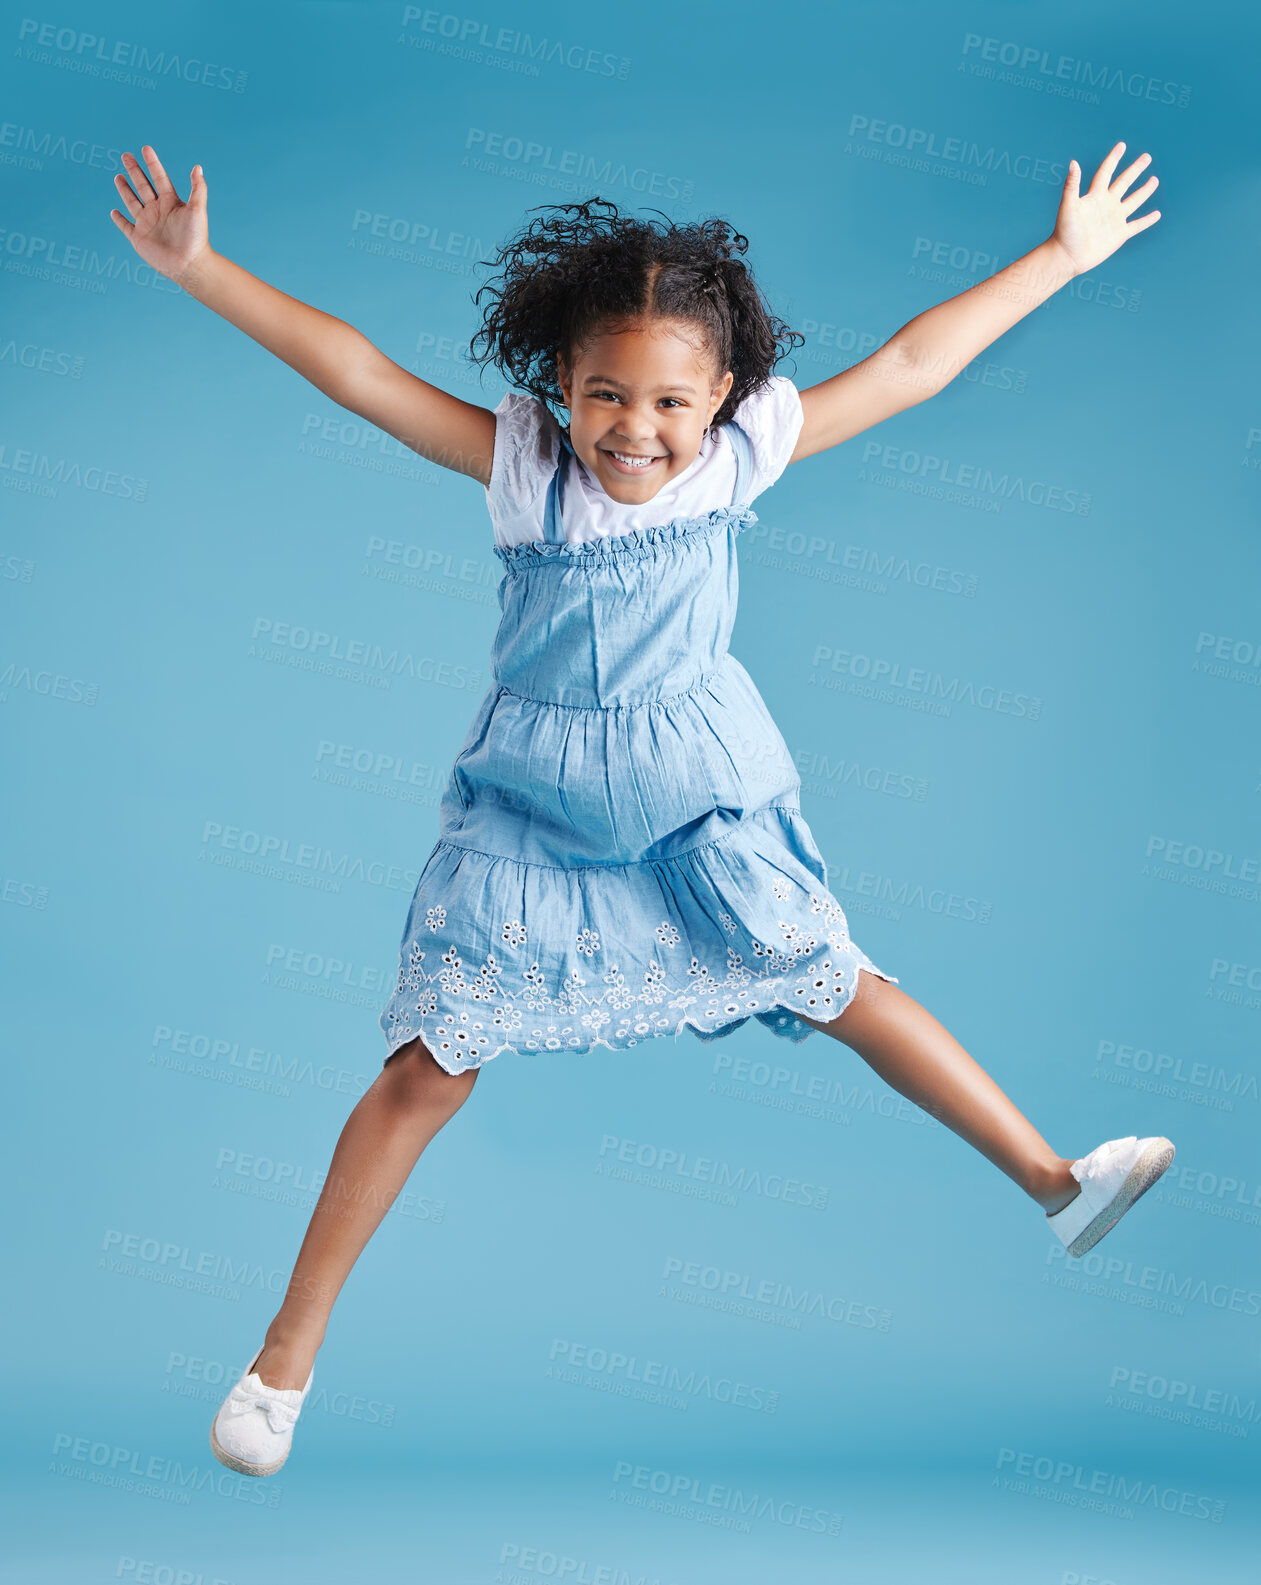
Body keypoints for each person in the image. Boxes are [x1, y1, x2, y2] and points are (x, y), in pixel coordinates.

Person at [108, 141, 1174, 1479]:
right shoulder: (520, 465)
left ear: (722, 394)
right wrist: (203, 271)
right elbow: (358, 369)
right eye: (603, 393)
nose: (635, 427)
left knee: (838, 980)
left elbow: (909, 364)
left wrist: (1059, 259)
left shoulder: (734, 461)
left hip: (696, 797)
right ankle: (282, 1356)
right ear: (556, 386)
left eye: (670, 399)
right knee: (427, 1065)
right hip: (532, 809)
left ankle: (1054, 1184)